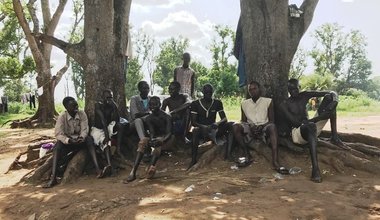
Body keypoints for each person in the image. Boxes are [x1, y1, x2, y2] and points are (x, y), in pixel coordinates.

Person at [279, 78, 347, 183]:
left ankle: (334, 137)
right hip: (297, 134)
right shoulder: (284, 104)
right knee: (310, 125)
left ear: (299, 87)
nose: (293, 91)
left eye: (295, 89)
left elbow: (331, 93)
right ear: (288, 90)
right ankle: (315, 169)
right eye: (290, 89)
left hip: (311, 126)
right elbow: (296, 123)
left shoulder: (305, 95)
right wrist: (316, 119)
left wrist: (335, 100)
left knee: (330, 100)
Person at [232, 81, 288, 173]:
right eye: (250, 90)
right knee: (235, 127)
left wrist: (262, 126)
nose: (252, 91)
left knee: (273, 127)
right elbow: (243, 121)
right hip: (250, 128)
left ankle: (275, 161)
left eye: (254, 89)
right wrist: (250, 126)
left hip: (264, 128)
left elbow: (271, 120)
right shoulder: (244, 103)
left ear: (259, 89)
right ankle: (247, 155)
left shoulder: (268, 101)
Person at [43, 97, 99, 188]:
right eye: (73, 106)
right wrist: (68, 140)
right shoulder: (62, 117)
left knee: (89, 140)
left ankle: (98, 169)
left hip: (80, 141)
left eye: (76, 105)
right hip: (68, 142)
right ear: (67, 108)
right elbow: (58, 134)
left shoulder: (82, 114)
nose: (76, 107)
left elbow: (85, 129)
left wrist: (81, 137)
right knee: (57, 147)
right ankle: (53, 178)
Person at [124, 96, 172, 183]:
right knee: (143, 142)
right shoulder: (149, 118)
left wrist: (162, 140)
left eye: (155, 105)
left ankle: (151, 167)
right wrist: (151, 140)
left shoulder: (167, 116)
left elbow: (169, 133)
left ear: (160, 105)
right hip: (157, 137)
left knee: (158, 143)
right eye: (151, 105)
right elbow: (152, 132)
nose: (152, 107)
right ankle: (133, 171)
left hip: (167, 139)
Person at [188, 84, 234, 170]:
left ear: (212, 92)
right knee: (195, 130)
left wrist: (217, 123)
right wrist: (203, 127)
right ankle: (193, 159)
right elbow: (193, 122)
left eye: (210, 92)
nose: (208, 94)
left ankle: (228, 154)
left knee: (230, 125)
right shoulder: (195, 104)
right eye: (206, 92)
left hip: (213, 129)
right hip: (201, 130)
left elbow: (224, 118)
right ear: (203, 92)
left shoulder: (217, 103)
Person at [90, 89, 129, 178]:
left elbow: (117, 119)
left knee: (120, 125)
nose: (109, 99)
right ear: (102, 97)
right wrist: (107, 136)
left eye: (111, 97)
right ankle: (109, 165)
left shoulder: (111, 106)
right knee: (106, 143)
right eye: (107, 97)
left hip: (107, 127)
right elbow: (102, 120)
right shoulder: (98, 105)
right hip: (98, 129)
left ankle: (118, 150)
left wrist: (115, 107)